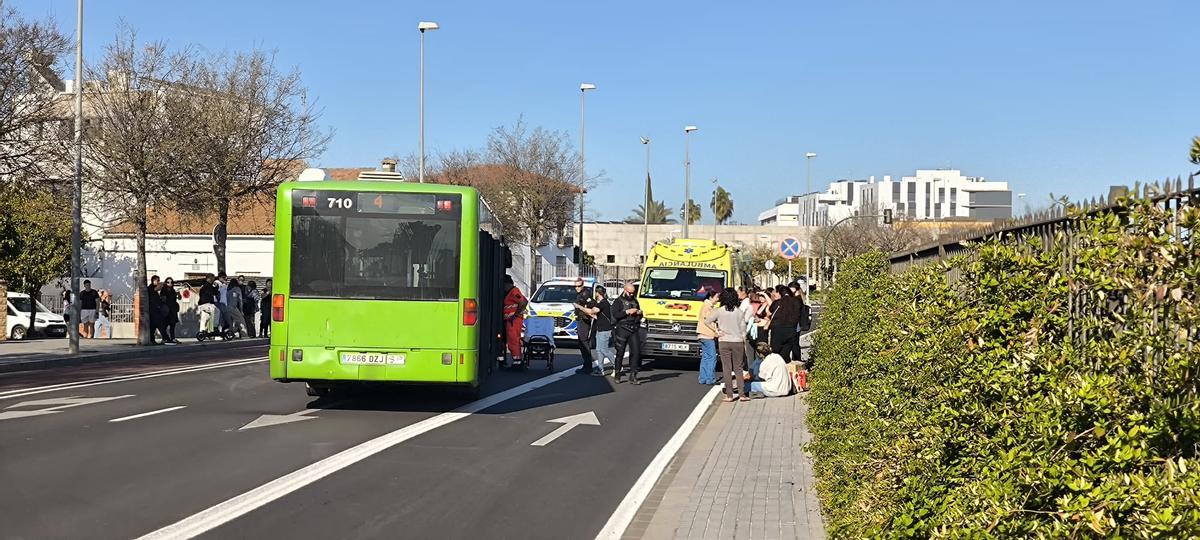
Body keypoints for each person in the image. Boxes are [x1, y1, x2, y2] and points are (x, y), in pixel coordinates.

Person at [706, 288, 749, 402]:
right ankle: (742, 394)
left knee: (727, 368)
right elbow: (743, 329)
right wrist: (744, 342)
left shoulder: (719, 311)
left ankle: (729, 395)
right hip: (738, 341)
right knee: (738, 368)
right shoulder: (739, 312)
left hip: (724, 341)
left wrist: (717, 331)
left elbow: (707, 321)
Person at [610, 281, 643, 384]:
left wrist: (639, 313)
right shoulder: (618, 301)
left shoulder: (635, 301)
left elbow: (639, 315)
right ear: (625, 290)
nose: (631, 295)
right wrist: (627, 312)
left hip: (633, 328)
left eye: (633, 293)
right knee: (620, 352)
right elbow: (615, 315)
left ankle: (633, 375)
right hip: (622, 328)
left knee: (636, 352)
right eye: (630, 293)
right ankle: (617, 373)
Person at [572, 277, 598, 375]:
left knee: (583, 342)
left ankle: (588, 366)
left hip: (584, 320)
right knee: (581, 342)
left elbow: (592, 304)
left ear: (582, 285)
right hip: (580, 319)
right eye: (575, 286)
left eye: (579, 286)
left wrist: (584, 309)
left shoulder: (585, 293)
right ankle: (586, 364)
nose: (577, 288)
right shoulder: (580, 294)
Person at [768, 285, 801, 361]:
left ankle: (778, 370)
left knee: (775, 354)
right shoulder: (796, 301)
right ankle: (786, 368)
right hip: (791, 330)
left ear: (780, 293)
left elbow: (769, 312)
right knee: (785, 354)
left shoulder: (777, 303)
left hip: (777, 331)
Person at [502, 275, 528, 366]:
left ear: (507, 284)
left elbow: (523, 302)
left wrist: (516, 313)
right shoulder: (510, 292)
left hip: (513, 320)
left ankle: (517, 360)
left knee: (513, 339)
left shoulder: (513, 291)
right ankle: (516, 359)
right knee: (511, 339)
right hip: (510, 320)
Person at [697, 290, 720, 385]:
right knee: (712, 357)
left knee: (705, 357)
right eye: (716, 297)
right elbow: (708, 321)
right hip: (707, 334)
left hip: (702, 334)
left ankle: (703, 378)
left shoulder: (706, 305)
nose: (717, 300)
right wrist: (716, 330)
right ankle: (710, 378)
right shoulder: (707, 306)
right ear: (711, 297)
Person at [592, 286, 615, 375]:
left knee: (604, 350)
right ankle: (600, 369)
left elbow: (592, 311)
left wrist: (581, 308)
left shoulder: (603, 303)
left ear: (597, 293)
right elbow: (597, 315)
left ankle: (617, 365)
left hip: (605, 329)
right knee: (599, 350)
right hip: (600, 328)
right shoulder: (603, 303)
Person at [147, 275, 167, 345]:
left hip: (156, 310)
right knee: (160, 325)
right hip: (153, 310)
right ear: (153, 281)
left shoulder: (155, 290)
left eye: (159, 280)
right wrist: (162, 284)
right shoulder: (150, 288)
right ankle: (165, 338)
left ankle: (153, 340)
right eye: (157, 280)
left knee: (154, 327)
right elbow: (156, 288)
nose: (158, 282)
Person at [160, 277, 180, 344]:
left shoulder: (173, 290)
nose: (170, 284)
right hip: (167, 309)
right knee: (165, 325)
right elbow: (163, 299)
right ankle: (164, 338)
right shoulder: (163, 290)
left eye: (171, 282)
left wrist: (178, 294)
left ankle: (173, 338)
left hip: (173, 309)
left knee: (172, 325)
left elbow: (179, 298)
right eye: (168, 282)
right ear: (166, 283)